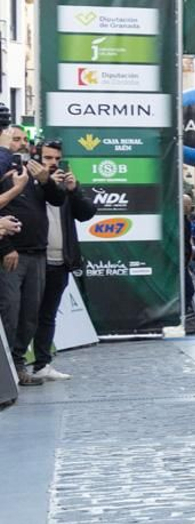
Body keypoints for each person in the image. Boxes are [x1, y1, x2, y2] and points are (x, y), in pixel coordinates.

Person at [31, 141, 97, 380]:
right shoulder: (27, 183)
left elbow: (87, 213)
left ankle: (41, 364)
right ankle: (15, 366)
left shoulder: (65, 186)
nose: (53, 163)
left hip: (61, 260)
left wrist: (74, 189)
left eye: (57, 159)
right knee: (24, 314)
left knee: (48, 314)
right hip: (33, 258)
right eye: (48, 158)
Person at [0, 141, 58, 387]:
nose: (21, 144)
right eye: (16, 139)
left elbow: (58, 200)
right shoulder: (7, 175)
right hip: (13, 255)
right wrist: (6, 248)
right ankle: (6, 370)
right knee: (10, 311)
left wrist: (46, 180)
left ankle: (18, 363)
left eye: (24, 141)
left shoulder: (37, 175)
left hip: (37, 254)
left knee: (30, 315)